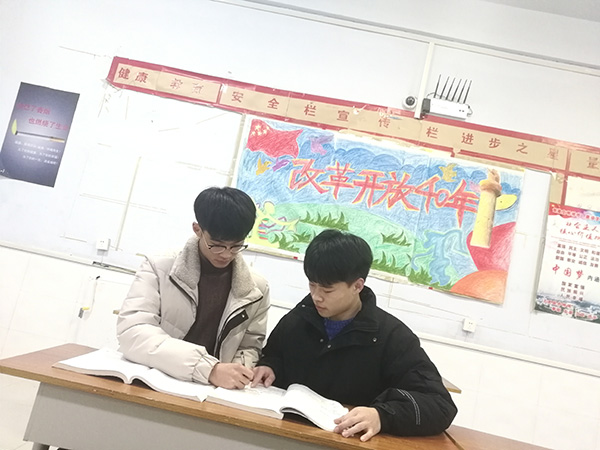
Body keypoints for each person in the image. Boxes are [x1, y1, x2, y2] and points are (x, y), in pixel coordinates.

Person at [252, 229, 457, 440]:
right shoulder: (298, 319)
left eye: (327, 290)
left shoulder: (393, 337)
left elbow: (440, 405)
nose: (316, 296)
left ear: (357, 286)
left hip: (348, 441)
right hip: (285, 436)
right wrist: (269, 366)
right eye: (312, 285)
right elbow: (274, 355)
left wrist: (381, 415)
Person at [117, 186, 270, 389]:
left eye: (236, 245)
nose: (226, 254)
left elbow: (250, 345)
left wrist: (238, 371)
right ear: (197, 229)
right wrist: (208, 369)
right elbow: (133, 332)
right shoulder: (159, 267)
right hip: (153, 381)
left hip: (212, 391)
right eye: (217, 245)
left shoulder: (256, 288)